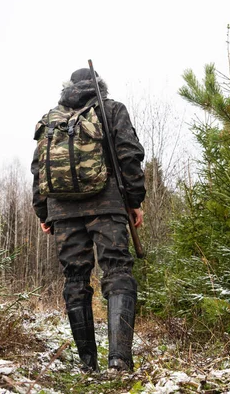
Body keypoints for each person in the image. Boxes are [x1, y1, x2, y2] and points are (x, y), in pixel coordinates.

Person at [31, 68, 146, 372]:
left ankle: (87, 363)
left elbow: (38, 167)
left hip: (62, 210)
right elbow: (129, 154)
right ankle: (120, 360)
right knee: (117, 270)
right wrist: (134, 202)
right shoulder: (111, 109)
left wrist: (44, 211)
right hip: (107, 205)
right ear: (99, 86)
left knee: (75, 278)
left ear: (69, 87)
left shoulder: (51, 118)